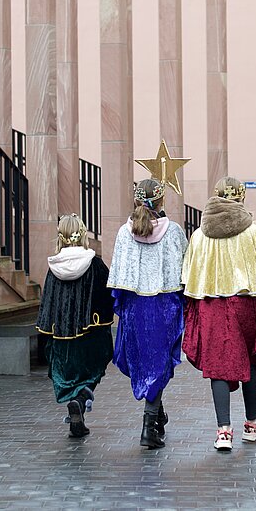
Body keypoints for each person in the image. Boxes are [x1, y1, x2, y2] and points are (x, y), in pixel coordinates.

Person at [182, 176, 256, 451]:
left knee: (218, 365)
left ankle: (223, 432)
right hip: (244, 306)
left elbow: (188, 276)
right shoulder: (253, 233)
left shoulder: (199, 235)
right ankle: (252, 425)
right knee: (250, 359)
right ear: (241, 199)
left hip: (211, 307)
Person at [107, 178, 189, 449]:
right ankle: (148, 427)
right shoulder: (174, 231)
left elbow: (118, 277)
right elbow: (184, 271)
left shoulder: (123, 232)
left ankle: (157, 417)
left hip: (134, 308)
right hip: (163, 306)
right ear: (162, 200)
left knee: (146, 365)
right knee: (159, 364)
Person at [35, 213, 114, 438]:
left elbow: (48, 303)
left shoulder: (54, 268)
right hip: (91, 334)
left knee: (66, 376)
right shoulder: (95, 265)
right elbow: (107, 297)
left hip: (61, 336)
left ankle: (75, 403)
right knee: (91, 372)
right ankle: (81, 400)